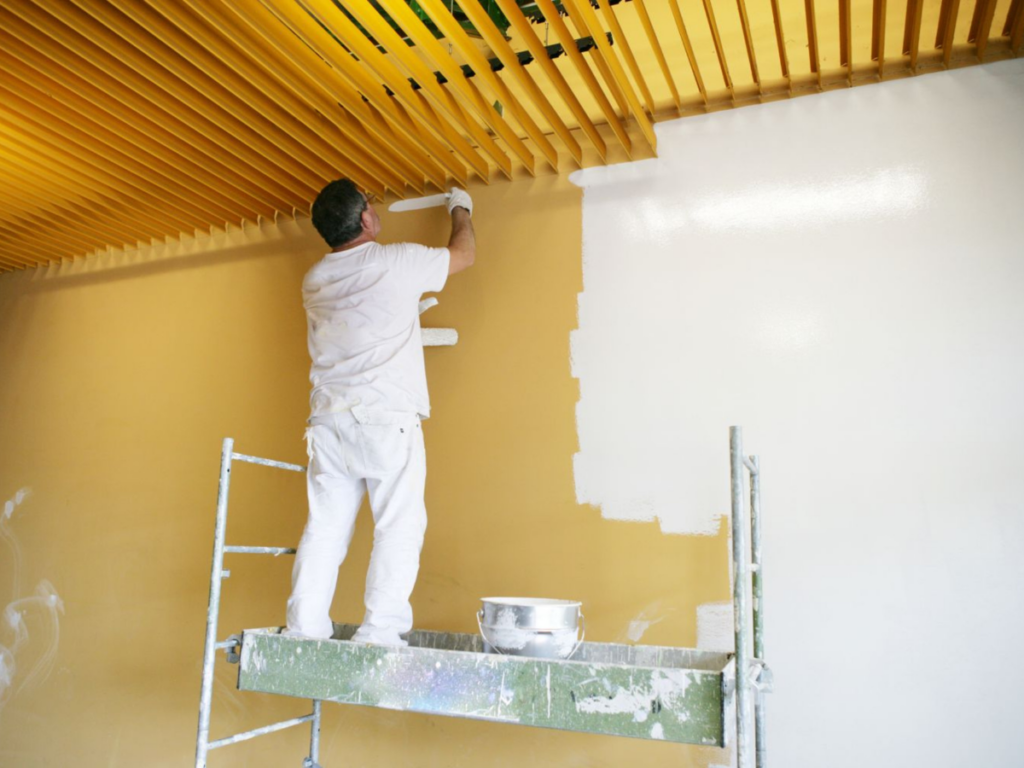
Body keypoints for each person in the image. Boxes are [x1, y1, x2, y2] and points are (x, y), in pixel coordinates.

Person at [285, 180, 475, 645]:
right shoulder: (395, 261)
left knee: (325, 529)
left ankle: (304, 631)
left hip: (329, 420)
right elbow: (463, 255)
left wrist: (403, 317)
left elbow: (357, 324)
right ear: (366, 219)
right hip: (384, 418)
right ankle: (379, 632)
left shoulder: (314, 279)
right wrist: (462, 209)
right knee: (398, 525)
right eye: (370, 204)